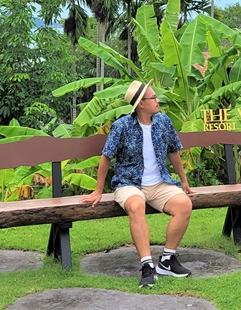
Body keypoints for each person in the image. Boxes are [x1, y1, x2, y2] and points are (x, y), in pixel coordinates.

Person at [81, 80, 194, 288]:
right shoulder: (122, 126)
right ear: (141, 103)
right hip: (129, 183)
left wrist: (184, 181)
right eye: (153, 97)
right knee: (136, 205)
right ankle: (147, 265)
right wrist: (98, 190)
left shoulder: (163, 122)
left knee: (184, 205)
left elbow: (173, 152)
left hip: (159, 183)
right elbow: (106, 157)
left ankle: (167, 260)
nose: (158, 100)